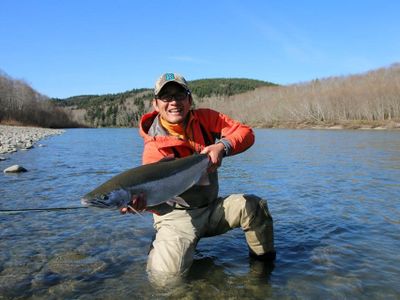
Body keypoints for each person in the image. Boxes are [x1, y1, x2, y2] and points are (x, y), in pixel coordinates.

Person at [121, 72, 275, 284]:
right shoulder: (153, 148)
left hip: (211, 208)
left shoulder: (205, 118)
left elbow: (246, 133)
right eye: (166, 97)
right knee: (165, 281)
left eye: (180, 95)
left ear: (190, 100)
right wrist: (141, 205)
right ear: (156, 104)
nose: (174, 102)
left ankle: (263, 272)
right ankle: (162, 246)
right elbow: (156, 203)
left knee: (253, 206)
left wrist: (223, 146)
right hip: (176, 218)